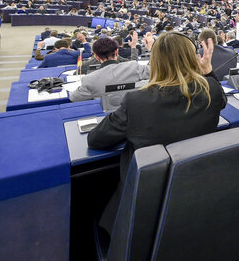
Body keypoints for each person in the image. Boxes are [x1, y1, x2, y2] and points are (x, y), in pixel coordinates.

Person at [88, 33, 225, 234]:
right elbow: (221, 99)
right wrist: (207, 71)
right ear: (192, 58)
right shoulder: (211, 88)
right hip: (199, 191)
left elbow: (96, 139)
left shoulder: (136, 101)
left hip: (145, 203)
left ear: (155, 61)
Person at [69, 37, 150, 101]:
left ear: (96, 56)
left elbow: (73, 98)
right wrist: (150, 48)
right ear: (117, 52)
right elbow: (156, 71)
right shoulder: (134, 67)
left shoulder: (89, 79)